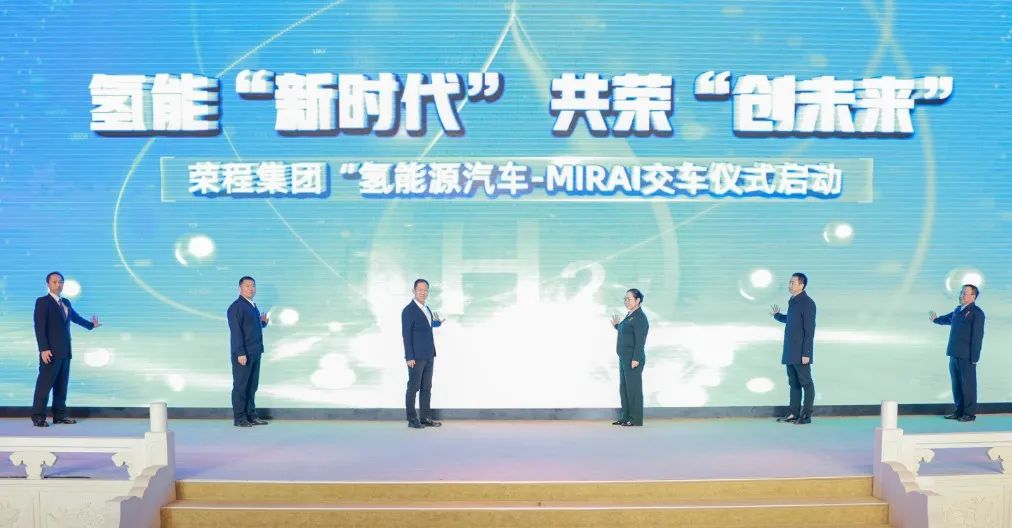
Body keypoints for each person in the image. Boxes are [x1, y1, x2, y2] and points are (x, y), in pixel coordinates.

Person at [31, 271, 101, 427]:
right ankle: (38, 416)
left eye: (61, 282)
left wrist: (91, 325)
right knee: (44, 385)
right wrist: (43, 348)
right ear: (48, 284)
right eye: (54, 282)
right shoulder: (43, 302)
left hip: (65, 351)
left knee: (61, 386)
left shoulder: (66, 302)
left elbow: (75, 318)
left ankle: (60, 415)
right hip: (50, 352)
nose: (58, 284)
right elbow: (39, 326)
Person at [930, 284, 985, 422]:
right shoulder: (957, 310)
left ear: (973, 297)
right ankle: (959, 410)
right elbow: (948, 319)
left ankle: (969, 413)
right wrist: (936, 319)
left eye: (965, 293)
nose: (961, 295)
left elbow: (977, 337)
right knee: (957, 385)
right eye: (961, 292)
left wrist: (975, 357)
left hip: (967, 356)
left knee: (968, 386)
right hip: (954, 353)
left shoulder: (977, 313)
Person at [770, 272, 816, 425]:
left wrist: (806, 353)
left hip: (801, 352)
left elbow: (809, 330)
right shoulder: (793, 301)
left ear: (801, 285)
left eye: (793, 282)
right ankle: (793, 414)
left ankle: (806, 416)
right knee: (794, 384)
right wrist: (777, 316)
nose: (790, 285)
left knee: (806, 383)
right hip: (790, 350)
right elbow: (790, 320)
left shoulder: (807, 303)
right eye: (789, 282)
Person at [402, 278, 444, 429]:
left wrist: (438, 323)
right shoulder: (408, 310)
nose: (423, 292)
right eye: (420, 289)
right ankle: (412, 419)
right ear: (414, 291)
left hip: (429, 354)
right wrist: (409, 356)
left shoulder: (427, 308)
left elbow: (427, 326)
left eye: (425, 290)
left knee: (427, 387)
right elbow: (406, 334)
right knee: (413, 387)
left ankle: (425, 417)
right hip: (416, 356)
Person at [227, 276, 270, 427]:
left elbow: (250, 328)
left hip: (255, 352)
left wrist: (262, 323)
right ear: (240, 288)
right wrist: (240, 353)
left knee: (252, 386)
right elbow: (236, 332)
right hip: (243, 354)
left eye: (253, 285)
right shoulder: (236, 307)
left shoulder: (252, 305)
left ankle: (251, 416)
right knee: (241, 387)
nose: (251, 288)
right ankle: (240, 418)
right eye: (247, 286)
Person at [610, 288, 648, 427]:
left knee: (633, 390)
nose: (626, 301)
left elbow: (640, 341)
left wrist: (636, 358)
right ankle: (625, 417)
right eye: (625, 299)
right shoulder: (630, 315)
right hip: (624, 358)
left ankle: (635, 419)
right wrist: (617, 326)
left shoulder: (640, 318)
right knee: (624, 388)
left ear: (637, 300)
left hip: (633, 359)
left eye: (629, 299)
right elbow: (626, 332)